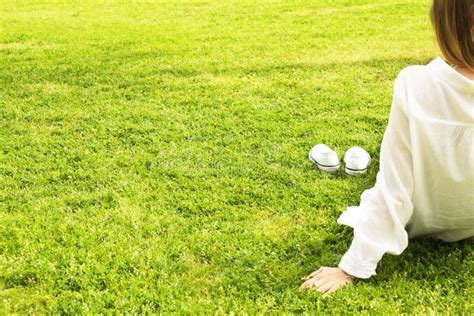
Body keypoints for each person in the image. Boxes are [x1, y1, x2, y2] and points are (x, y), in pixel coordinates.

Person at [300, 0, 474, 294]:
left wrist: (350, 268)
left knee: (393, 166)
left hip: (421, 219)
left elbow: (394, 186)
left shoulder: (415, 83)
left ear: (444, 23)